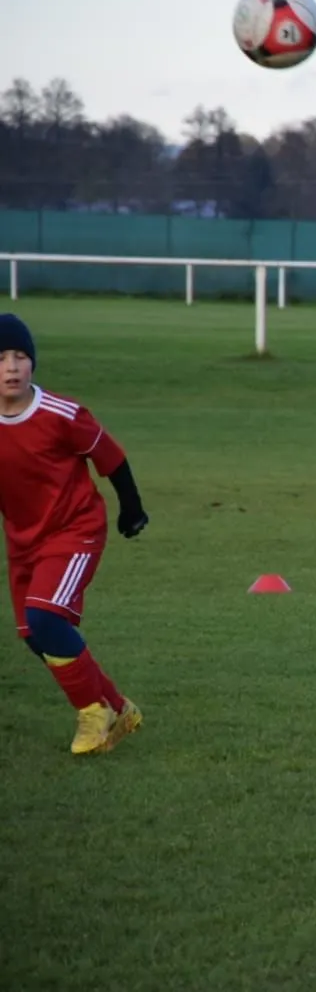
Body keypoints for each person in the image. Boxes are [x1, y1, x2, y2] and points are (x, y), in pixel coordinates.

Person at [0, 313, 148, 755]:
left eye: (20, 356)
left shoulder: (60, 413)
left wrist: (132, 509)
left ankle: (92, 713)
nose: (11, 367)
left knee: (46, 619)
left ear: (33, 363)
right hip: (24, 540)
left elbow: (111, 457)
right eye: (1, 358)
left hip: (75, 529)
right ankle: (119, 707)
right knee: (35, 636)